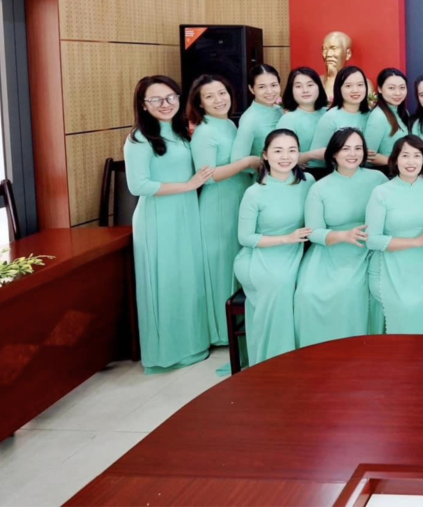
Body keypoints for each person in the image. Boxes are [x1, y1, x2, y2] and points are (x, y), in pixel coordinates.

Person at [124, 75, 212, 373]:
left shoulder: (181, 132)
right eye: (156, 99)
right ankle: (166, 353)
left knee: (187, 280)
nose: (166, 104)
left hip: (187, 213)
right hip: (158, 219)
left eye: (171, 97)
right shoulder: (139, 139)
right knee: (166, 282)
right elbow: (138, 186)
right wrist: (187, 186)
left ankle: (192, 344)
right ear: (143, 105)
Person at [294, 128, 387, 346]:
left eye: (358, 148)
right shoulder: (319, 188)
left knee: (351, 290)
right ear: (334, 153)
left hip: (368, 248)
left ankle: (360, 349)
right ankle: (319, 352)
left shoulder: (378, 179)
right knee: (308, 294)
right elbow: (314, 231)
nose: (352, 154)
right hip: (330, 249)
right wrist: (343, 235)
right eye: (346, 149)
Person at [186, 75, 259, 346]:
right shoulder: (204, 131)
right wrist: (248, 162)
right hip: (218, 205)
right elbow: (209, 176)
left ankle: (236, 327)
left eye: (222, 93)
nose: (219, 100)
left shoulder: (228, 124)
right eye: (210, 96)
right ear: (200, 104)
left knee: (236, 263)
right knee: (220, 268)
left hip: (237, 198)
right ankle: (221, 333)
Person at [233, 129, 313, 366]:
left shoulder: (308, 182)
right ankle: (273, 363)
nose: (285, 157)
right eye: (278, 151)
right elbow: (245, 238)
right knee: (279, 285)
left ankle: (301, 355)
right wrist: (286, 239)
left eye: (292, 150)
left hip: (294, 252)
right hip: (258, 255)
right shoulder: (254, 193)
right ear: (265, 155)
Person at [365, 135, 423, 335]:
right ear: (395, 159)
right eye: (405, 155)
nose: (411, 162)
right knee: (405, 307)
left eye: (417, 156)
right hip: (390, 265)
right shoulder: (381, 192)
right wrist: (417, 241)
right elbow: (372, 240)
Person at [306, 65, 372, 159]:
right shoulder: (330, 117)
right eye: (348, 86)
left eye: (360, 85)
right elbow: (316, 155)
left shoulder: (371, 115)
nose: (355, 90)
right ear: (339, 88)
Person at [275, 67, 328, 168]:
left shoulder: (329, 113)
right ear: (291, 90)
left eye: (310, 85)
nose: (305, 90)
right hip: (304, 174)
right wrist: (309, 156)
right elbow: (280, 157)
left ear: (319, 87)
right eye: (298, 86)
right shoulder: (288, 120)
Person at [232, 64, 284, 161]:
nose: (269, 91)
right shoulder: (249, 119)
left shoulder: (281, 110)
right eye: (262, 87)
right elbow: (237, 159)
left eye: (273, 85)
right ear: (251, 89)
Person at [364, 68, 410, 167]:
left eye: (402, 88)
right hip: (388, 171)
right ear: (380, 89)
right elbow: (368, 156)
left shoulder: (404, 112)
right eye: (391, 88)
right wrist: (397, 162)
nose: (398, 93)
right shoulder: (378, 116)